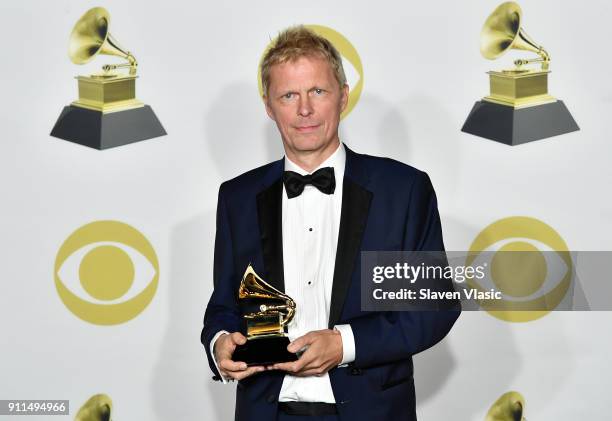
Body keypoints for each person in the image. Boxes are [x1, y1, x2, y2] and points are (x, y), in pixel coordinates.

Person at [201, 25, 461, 421]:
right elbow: (224, 306)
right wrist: (220, 344)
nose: (304, 109)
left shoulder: (402, 190)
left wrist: (345, 344)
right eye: (289, 95)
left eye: (317, 92)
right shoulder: (236, 197)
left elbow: (432, 308)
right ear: (269, 106)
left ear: (343, 95)